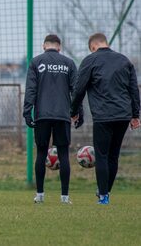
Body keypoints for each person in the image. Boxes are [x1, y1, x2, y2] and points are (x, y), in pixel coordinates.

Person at [70, 33, 140, 205]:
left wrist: (73, 111)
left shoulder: (90, 61)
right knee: (113, 156)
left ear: (93, 47)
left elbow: (79, 89)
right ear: (105, 43)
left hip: (103, 116)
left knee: (101, 155)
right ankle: (105, 191)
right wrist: (136, 115)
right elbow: (134, 89)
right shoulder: (124, 60)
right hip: (123, 115)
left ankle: (103, 197)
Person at [23, 34, 81, 204]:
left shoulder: (36, 62)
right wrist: (78, 112)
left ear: (43, 46)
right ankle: (65, 197)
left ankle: (40, 195)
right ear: (59, 47)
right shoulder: (69, 63)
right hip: (63, 115)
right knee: (63, 154)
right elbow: (75, 91)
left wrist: (27, 112)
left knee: (41, 153)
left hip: (42, 115)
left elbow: (31, 89)